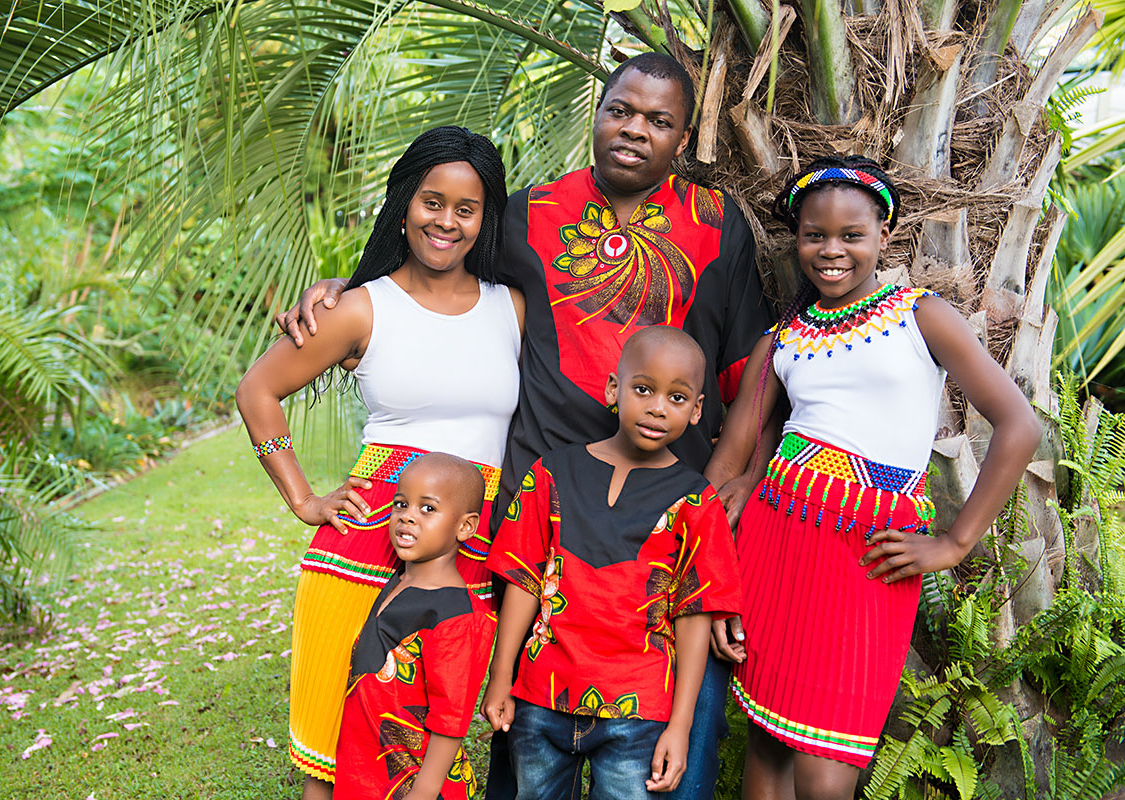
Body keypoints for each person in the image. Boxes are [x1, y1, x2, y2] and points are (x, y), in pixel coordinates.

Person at [277, 53, 774, 800]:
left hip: (666, 527)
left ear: (683, 136)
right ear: (597, 113)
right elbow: (441, 266)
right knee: (529, 742)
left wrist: (728, 481)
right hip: (545, 518)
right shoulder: (529, 213)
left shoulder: (716, 224)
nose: (634, 130)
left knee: (671, 755)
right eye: (620, 110)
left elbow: (751, 364)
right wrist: (348, 290)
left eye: (659, 120)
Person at [706, 156, 1042, 800]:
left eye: (852, 235)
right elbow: (727, 465)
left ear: (883, 235)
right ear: (797, 238)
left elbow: (1019, 426)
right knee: (768, 746)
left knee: (826, 767)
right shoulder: (781, 341)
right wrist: (713, 584)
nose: (831, 250)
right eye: (814, 235)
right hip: (775, 545)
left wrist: (955, 542)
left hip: (870, 557)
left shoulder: (921, 315)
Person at [235, 125, 524, 800]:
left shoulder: (511, 307)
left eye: (466, 208)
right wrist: (303, 499)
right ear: (403, 205)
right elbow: (257, 391)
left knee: (427, 745)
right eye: (431, 201)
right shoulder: (361, 308)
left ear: (485, 220)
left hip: (468, 546)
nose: (445, 221)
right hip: (363, 545)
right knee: (333, 748)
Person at [482, 327, 745, 799]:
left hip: (639, 712)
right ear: (612, 389)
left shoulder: (696, 502)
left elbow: (695, 616)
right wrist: (501, 678)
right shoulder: (552, 472)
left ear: (697, 410)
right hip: (542, 696)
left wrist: (680, 726)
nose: (658, 408)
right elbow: (523, 578)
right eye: (643, 389)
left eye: (677, 397)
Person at [334, 452, 497, 800]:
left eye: (428, 508)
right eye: (401, 504)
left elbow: (451, 717)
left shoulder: (456, 616)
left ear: (465, 527)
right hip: (367, 768)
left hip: (412, 781)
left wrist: (424, 791)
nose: (407, 516)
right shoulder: (397, 580)